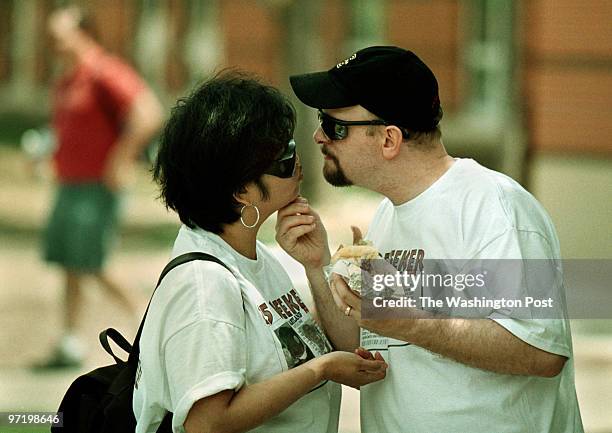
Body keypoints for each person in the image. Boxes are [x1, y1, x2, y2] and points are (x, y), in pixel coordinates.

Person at [288, 46, 584, 433]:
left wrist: (409, 323)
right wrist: (317, 266)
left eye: (334, 126)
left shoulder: (495, 207)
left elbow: (543, 351)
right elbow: (357, 340)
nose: (318, 136)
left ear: (389, 139)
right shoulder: (387, 216)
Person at [133, 72, 388, 433]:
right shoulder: (204, 286)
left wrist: (318, 266)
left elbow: (324, 340)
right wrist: (322, 369)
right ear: (240, 190)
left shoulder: (256, 259)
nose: (300, 162)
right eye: (284, 157)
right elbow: (206, 423)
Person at [36, 6, 163, 369]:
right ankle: (70, 340)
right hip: (69, 184)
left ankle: (145, 317)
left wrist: (121, 159)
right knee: (69, 263)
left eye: (60, 37)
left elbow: (149, 113)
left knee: (93, 260)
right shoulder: (67, 79)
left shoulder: (105, 72)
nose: (54, 45)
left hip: (97, 187)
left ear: (85, 34)